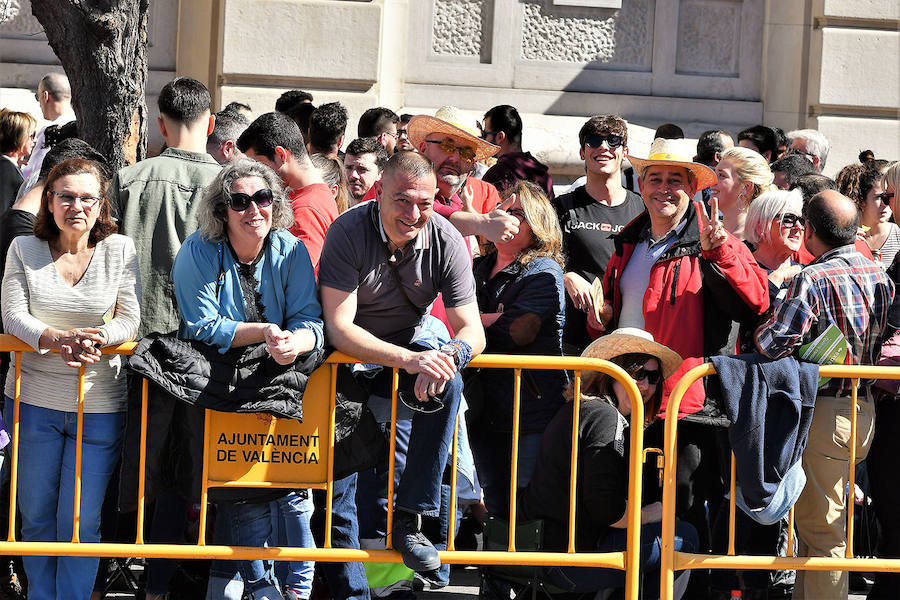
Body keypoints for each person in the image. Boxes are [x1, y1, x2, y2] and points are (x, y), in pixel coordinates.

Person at [594, 137, 769, 594]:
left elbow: (757, 301)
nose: (664, 188)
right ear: (641, 183)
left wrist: (720, 252)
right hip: (632, 396)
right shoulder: (628, 238)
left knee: (688, 508)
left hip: (688, 400)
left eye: (676, 180)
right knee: (642, 505)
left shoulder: (711, 238)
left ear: (692, 187)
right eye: (656, 178)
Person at [318, 151, 486, 578]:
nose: (414, 215)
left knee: (449, 383)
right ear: (378, 194)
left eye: (425, 204)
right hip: (347, 361)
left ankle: (410, 521)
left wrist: (449, 357)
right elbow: (339, 327)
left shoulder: (446, 239)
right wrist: (411, 360)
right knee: (341, 486)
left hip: (411, 353)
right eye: (403, 201)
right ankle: (342, 583)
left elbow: (472, 330)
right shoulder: (347, 231)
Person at [171, 157, 323, 600]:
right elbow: (200, 325)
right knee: (244, 494)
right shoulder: (198, 250)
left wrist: (298, 341)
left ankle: (299, 590)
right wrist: (263, 332)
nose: (254, 209)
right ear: (222, 210)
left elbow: (311, 319)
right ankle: (259, 587)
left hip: (286, 383)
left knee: (298, 496)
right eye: (241, 201)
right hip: (226, 385)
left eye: (263, 198)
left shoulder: (290, 249)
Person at [1, 157, 140, 600]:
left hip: (98, 404)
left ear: (101, 206)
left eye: (86, 197)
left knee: (81, 520)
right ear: (49, 201)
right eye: (65, 196)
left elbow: (131, 319)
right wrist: (59, 339)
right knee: (36, 516)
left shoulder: (121, 249)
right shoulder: (22, 249)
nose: (75, 206)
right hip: (32, 401)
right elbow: (12, 315)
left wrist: (96, 339)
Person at [755, 190, 893, 599]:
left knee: (821, 534)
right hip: (863, 408)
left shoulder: (811, 278)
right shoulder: (880, 277)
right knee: (824, 528)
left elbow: (771, 343)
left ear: (810, 230)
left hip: (827, 412)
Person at [520, 328, 697, 599]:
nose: (647, 386)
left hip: (546, 551)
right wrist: (656, 511)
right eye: (638, 374)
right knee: (685, 536)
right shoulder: (605, 417)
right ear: (612, 374)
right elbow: (608, 511)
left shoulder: (581, 409)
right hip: (567, 562)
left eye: (653, 377)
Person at [469, 181, 566, 517]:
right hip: (485, 406)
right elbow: (450, 319)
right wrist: (487, 319)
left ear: (538, 224)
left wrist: (471, 321)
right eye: (504, 212)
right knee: (494, 497)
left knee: (526, 500)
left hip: (531, 408)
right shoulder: (477, 268)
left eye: (519, 215)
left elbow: (517, 332)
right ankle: (496, 570)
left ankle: (525, 570)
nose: (507, 221)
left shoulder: (543, 271)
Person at [554, 114, 645, 353]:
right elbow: (537, 258)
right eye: (594, 141)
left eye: (613, 141)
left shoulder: (644, 210)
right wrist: (565, 276)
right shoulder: (561, 207)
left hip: (629, 335)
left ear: (625, 152)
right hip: (573, 339)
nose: (603, 147)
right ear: (583, 152)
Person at [237, 112, 337, 271]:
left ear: (280, 155)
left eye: (259, 165)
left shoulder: (306, 209)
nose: (257, 174)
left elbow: (296, 276)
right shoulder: (314, 195)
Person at [408, 106, 510, 235]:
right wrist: (482, 223)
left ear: (473, 164)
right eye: (447, 146)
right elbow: (430, 212)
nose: (455, 158)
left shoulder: (459, 202)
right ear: (423, 148)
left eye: (466, 153)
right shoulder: (403, 186)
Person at [479, 104, 554, 200]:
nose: (484, 140)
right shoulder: (543, 174)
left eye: (485, 134)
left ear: (500, 137)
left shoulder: (496, 175)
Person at [836, 162, 898, 267]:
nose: (885, 203)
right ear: (861, 201)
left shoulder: (898, 234)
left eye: (889, 196)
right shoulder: (848, 237)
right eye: (879, 197)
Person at [708, 146, 776, 240]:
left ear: (746, 187)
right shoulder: (708, 231)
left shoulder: (755, 241)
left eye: (722, 175)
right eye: (715, 174)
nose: (712, 181)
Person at [20, 72, 76, 185]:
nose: (39, 104)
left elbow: (32, 174)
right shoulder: (80, 124)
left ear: (45, 96)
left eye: (38, 97)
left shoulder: (51, 131)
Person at [0, 109, 36, 210]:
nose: (35, 140)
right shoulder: (6, 169)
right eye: (31, 135)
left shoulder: (7, 166)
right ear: (19, 137)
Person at [342, 136, 388, 207]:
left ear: (380, 175)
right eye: (349, 168)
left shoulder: (386, 213)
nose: (353, 175)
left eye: (362, 169)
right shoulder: (333, 206)